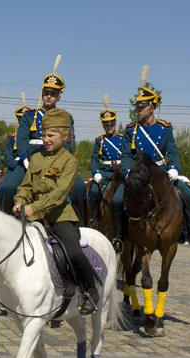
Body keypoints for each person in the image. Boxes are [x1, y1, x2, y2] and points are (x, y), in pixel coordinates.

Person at [13, 108, 98, 315]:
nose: (46, 139)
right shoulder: (36, 158)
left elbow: (60, 194)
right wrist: (19, 201)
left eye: (51, 135)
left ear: (66, 136)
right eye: (44, 135)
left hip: (59, 216)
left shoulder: (70, 161)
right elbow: (26, 186)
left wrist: (34, 207)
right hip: (34, 217)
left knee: (75, 252)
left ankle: (91, 291)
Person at [121, 71, 190, 248]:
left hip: (161, 173)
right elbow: (126, 156)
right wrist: (127, 172)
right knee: (117, 200)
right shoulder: (131, 130)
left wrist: (174, 168)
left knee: (189, 194)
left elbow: (173, 152)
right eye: (137, 106)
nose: (138, 110)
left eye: (142, 106)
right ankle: (119, 236)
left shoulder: (165, 128)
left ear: (152, 108)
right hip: (138, 176)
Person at [2, 58, 88, 225]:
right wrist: (26, 158)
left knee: (79, 187)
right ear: (42, 94)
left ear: (58, 96)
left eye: (53, 93)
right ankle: (3, 224)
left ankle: (82, 225)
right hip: (32, 158)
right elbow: (22, 140)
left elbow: (70, 143)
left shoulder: (65, 117)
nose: (49, 96)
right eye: (46, 92)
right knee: (8, 187)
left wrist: (65, 162)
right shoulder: (29, 116)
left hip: (58, 159)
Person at [88, 95, 125, 250]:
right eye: (106, 124)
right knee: (94, 192)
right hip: (104, 173)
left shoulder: (124, 139)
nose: (109, 126)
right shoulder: (99, 141)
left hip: (120, 173)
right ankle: (94, 218)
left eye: (111, 124)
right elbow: (94, 159)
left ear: (115, 123)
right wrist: (96, 172)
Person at [0, 99, 30, 212]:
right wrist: (15, 165)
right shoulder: (12, 139)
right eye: (20, 119)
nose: (23, 121)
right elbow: (8, 157)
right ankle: (1, 213)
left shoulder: (35, 134)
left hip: (33, 162)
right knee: (5, 187)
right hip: (16, 166)